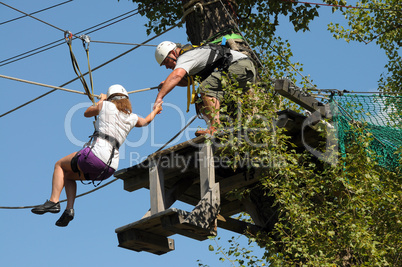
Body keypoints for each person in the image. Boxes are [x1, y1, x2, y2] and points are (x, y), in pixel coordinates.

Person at [31, 84, 163, 227]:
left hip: (95, 156)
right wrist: (155, 110)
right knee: (68, 176)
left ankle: (53, 201)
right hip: (109, 168)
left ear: (111, 98)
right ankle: (69, 210)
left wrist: (101, 100)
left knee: (59, 165)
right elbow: (146, 121)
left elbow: (87, 112)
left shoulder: (106, 106)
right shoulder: (131, 117)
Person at [153, 41, 256, 136]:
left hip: (240, 66)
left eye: (166, 61)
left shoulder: (186, 56)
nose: (166, 67)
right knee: (201, 101)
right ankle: (224, 130)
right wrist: (167, 84)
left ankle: (215, 128)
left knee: (205, 88)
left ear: (172, 53)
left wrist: (159, 97)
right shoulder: (190, 60)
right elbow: (186, 81)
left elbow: (176, 76)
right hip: (243, 73)